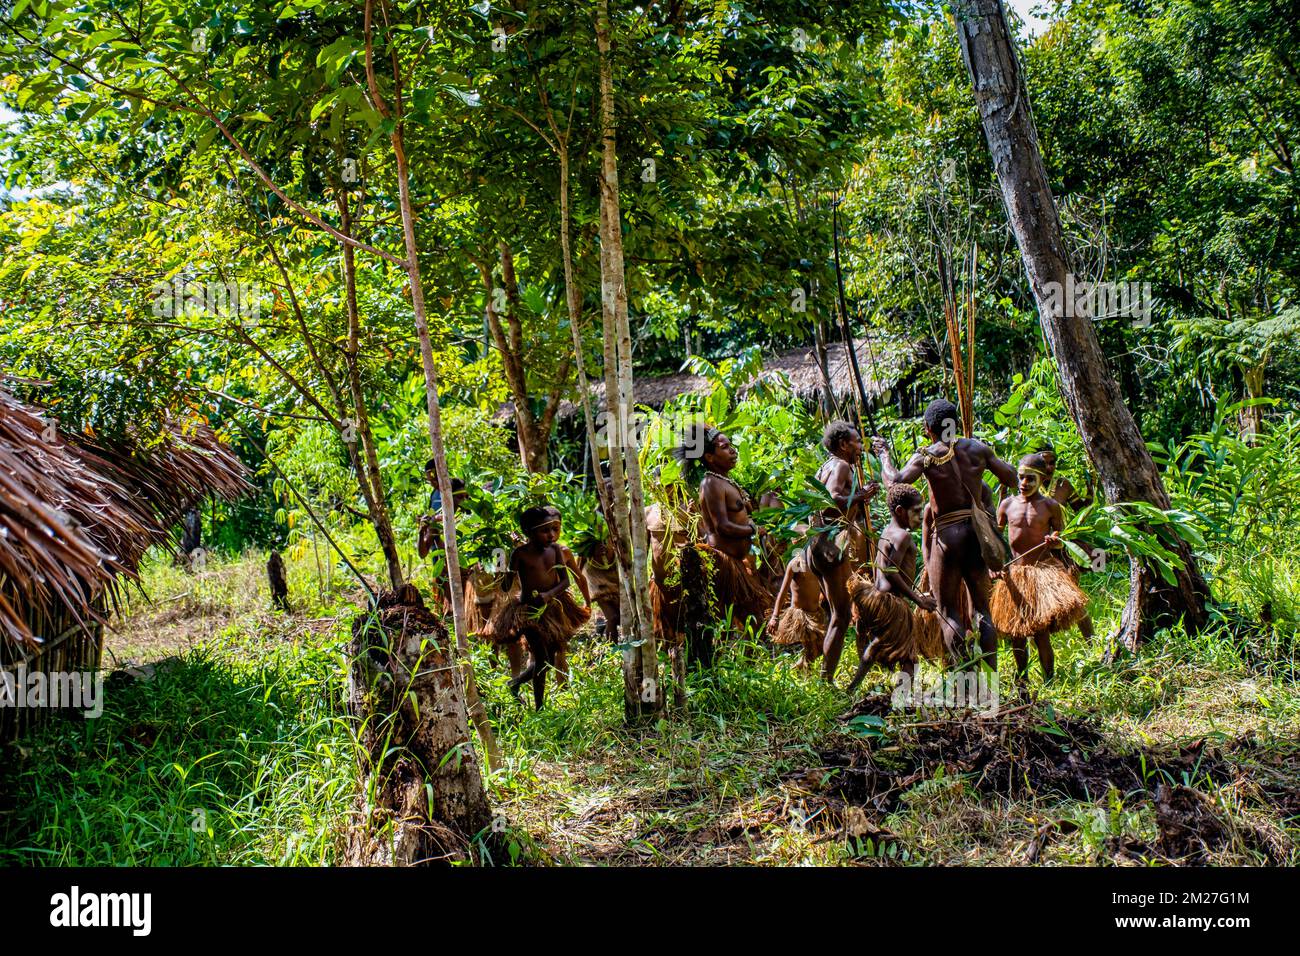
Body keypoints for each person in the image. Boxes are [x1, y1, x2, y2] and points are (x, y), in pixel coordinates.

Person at [874, 399, 1018, 669]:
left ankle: (966, 679)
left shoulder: (927, 455)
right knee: (981, 609)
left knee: (948, 610)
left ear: (928, 428)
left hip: (947, 536)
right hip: (976, 536)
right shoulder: (977, 449)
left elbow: (894, 482)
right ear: (957, 424)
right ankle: (989, 677)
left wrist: (883, 455)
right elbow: (1011, 477)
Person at [990, 454, 1090, 685]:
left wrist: (1054, 539)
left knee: (1040, 632)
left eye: (1030, 479)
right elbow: (996, 537)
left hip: (1040, 573)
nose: (1024, 484)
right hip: (1014, 574)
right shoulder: (1007, 505)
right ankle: (1022, 677)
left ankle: (1049, 680)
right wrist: (994, 565)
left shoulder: (1050, 506)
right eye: (1021, 478)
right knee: (1016, 633)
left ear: (1041, 479)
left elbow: (1060, 536)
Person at [486, 504, 591, 710]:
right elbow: (507, 586)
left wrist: (548, 595)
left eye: (554, 530)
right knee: (542, 659)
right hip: (528, 613)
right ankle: (538, 705)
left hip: (551, 609)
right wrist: (501, 567)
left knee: (547, 660)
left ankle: (516, 685)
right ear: (529, 533)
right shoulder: (520, 554)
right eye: (545, 531)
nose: (551, 535)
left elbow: (565, 581)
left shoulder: (555, 550)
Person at [846, 483, 944, 693]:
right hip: (892, 603)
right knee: (909, 657)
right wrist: (919, 600)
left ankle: (852, 688)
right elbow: (891, 571)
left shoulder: (888, 531)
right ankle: (901, 701)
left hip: (877, 598)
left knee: (876, 645)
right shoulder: (903, 536)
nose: (920, 517)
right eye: (916, 512)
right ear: (900, 511)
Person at [807, 420, 880, 682]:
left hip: (817, 544)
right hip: (830, 544)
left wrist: (860, 498)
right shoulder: (840, 465)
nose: (860, 447)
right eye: (857, 441)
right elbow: (830, 501)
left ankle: (824, 677)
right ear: (843, 445)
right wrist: (861, 495)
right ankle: (825, 681)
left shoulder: (825, 466)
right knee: (842, 615)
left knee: (834, 613)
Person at [685, 424, 773, 636]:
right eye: (725, 447)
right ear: (710, 457)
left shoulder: (725, 481)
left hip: (736, 563)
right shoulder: (710, 483)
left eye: (731, 445)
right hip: (722, 564)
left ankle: (747, 663)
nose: (733, 451)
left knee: (752, 620)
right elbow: (721, 526)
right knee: (741, 622)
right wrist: (752, 529)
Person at [1033, 442, 1096, 642]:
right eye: (1045, 463)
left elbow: (1081, 509)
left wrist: (1090, 489)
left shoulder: (1063, 484)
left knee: (1072, 595)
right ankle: (1043, 644)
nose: (1050, 467)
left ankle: (1090, 640)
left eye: (1053, 463)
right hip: (1038, 551)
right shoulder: (1027, 486)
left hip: (1062, 548)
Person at [767, 547, 827, 669]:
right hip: (801, 616)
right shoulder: (796, 564)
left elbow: (823, 584)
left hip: (815, 613)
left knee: (820, 649)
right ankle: (805, 675)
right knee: (812, 650)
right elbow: (783, 592)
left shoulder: (817, 562)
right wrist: (775, 617)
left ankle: (797, 668)